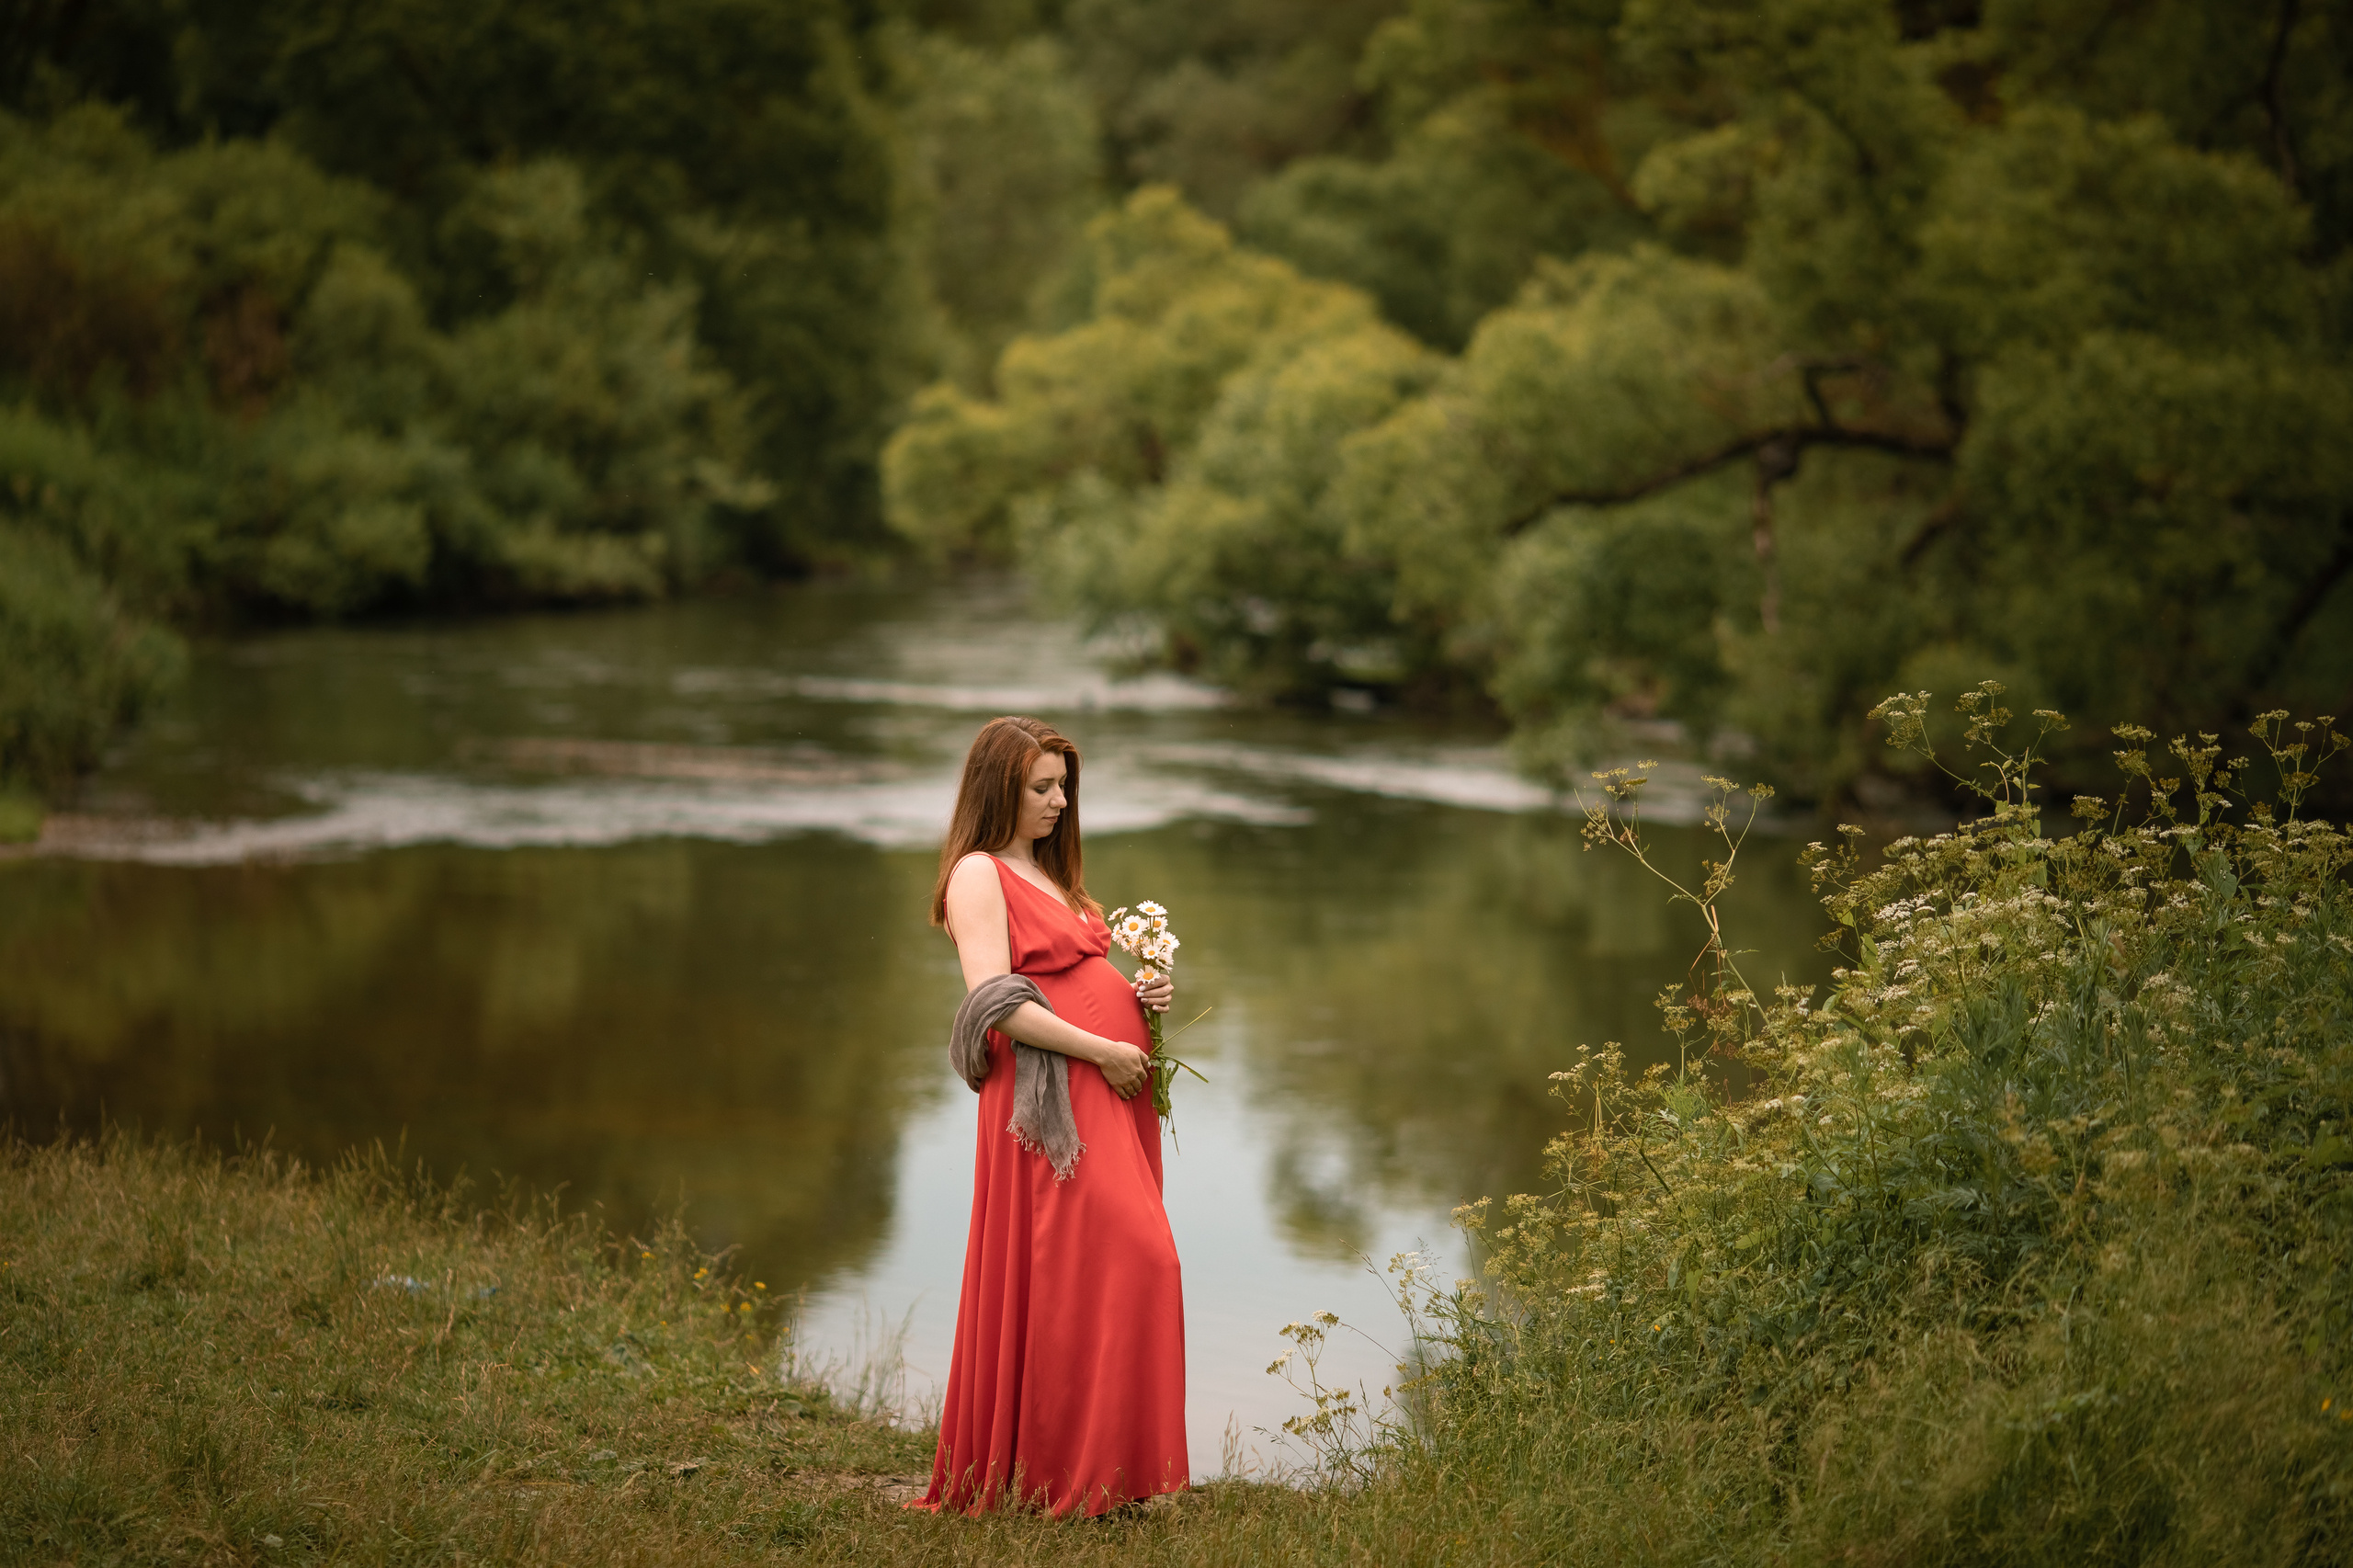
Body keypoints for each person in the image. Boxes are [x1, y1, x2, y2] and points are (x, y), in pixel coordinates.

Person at [913, 715, 1188, 1516]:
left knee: (1098, 1271)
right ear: (1000, 787)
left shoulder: (1050, 875)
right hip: (1050, 1102)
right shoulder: (978, 875)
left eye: (1064, 786)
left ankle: (1105, 1476)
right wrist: (1100, 1049)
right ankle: (1070, 1473)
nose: (1060, 801)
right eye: (1042, 787)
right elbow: (994, 1002)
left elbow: (1077, 976)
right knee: (1133, 1260)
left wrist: (1143, 998)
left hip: (1104, 1090)